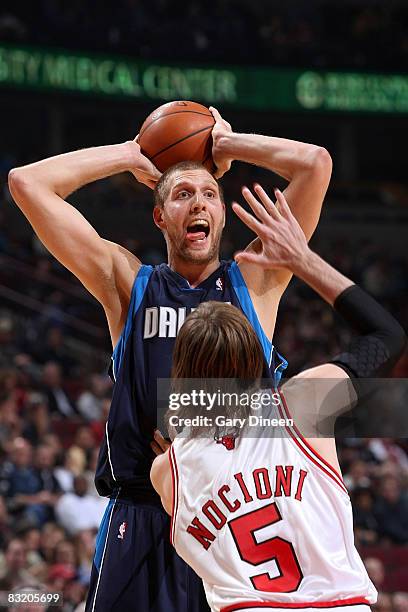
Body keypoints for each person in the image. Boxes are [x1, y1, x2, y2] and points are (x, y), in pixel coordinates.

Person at [9, 107, 332, 611]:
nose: (198, 203)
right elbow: (27, 183)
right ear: (160, 216)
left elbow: (314, 164)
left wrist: (225, 144)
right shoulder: (130, 285)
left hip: (233, 518)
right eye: (182, 195)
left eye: (208, 195)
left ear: (222, 214)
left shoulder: (257, 282)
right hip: (141, 516)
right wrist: (130, 155)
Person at [151, 188, 406, 611]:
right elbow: (388, 337)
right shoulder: (302, 403)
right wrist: (302, 260)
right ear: (258, 361)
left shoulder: (167, 470)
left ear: (182, 374)